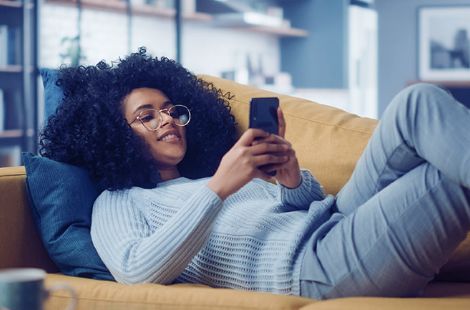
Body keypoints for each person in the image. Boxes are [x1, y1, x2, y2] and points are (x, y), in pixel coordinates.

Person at [40, 48, 470, 300]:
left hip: (335, 221)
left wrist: (290, 179)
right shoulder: (119, 202)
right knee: (442, 181)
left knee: (417, 103)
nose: (167, 120)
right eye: (147, 116)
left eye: (172, 111)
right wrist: (219, 188)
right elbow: (136, 271)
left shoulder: (211, 175)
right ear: (113, 134)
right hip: (316, 266)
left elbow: (302, 212)